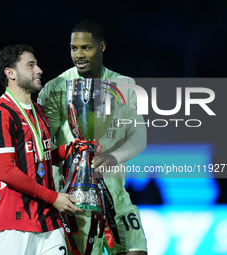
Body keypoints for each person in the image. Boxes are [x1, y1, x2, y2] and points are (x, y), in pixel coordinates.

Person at [38, 21, 148, 255]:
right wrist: (73, 156)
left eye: (86, 48)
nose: (78, 55)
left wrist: (114, 157)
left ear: (102, 47)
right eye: (73, 48)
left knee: (137, 250)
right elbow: (44, 145)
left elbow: (139, 136)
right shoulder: (55, 88)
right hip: (75, 200)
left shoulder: (126, 85)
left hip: (116, 194)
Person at [0, 44, 82, 255]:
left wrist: (71, 149)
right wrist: (54, 197)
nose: (39, 70)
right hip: (12, 224)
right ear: (10, 73)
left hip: (49, 222)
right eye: (31, 65)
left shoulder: (38, 112)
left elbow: (39, 157)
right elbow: (6, 171)